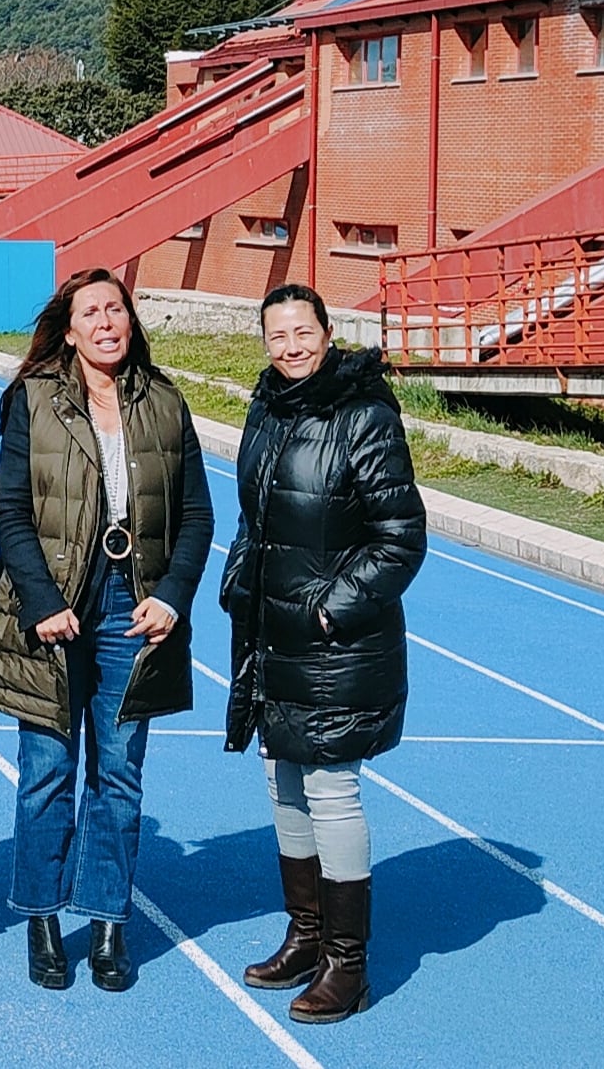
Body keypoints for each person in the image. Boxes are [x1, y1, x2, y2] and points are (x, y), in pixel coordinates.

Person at [0, 266, 210, 994]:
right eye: (90, 312)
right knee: (46, 773)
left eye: (115, 309)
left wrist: (172, 596)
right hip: (56, 616)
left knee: (119, 777)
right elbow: (11, 512)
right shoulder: (33, 401)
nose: (105, 322)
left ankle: (106, 923)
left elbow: (196, 516)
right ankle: (40, 918)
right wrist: (40, 600)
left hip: (134, 613)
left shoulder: (165, 402)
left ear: (130, 320)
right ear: (67, 329)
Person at [222, 283, 427, 1023]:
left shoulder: (363, 416)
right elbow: (258, 516)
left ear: (327, 330)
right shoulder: (268, 407)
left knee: (330, 786)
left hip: (335, 640)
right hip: (272, 633)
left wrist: (330, 610)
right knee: (281, 775)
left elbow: (401, 538)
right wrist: (240, 575)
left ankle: (348, 962)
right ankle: (304, 933)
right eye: (276, 335)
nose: (289, 347)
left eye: (301, 332)